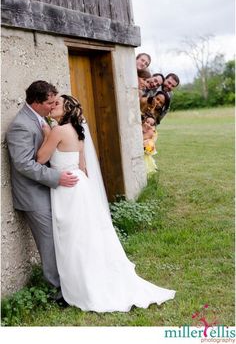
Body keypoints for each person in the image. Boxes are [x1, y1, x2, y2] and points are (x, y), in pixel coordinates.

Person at [36, 94, 175, 312]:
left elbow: (40, 159)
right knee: (85, 237)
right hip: (81, 186)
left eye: (57, 104)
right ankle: (87, 278)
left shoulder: (56, 131)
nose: (53, 106)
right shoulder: (77, 131)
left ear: (67, 109)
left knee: (72, 239)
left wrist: (46, 134)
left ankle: (80, 286)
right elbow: (82, 166)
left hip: (66, 188)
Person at [6, 81, 79, 304]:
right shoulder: (21, 125)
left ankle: (69, 283)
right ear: (36, 103)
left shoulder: (41, 119)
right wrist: (57, 177)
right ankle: (59, 291)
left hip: (49, 191)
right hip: (34, 196)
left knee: (59, 240)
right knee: (48, 244)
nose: (52, 106)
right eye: (49, 103)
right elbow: (24, 164)